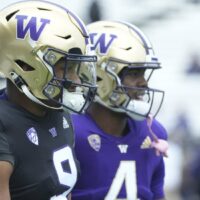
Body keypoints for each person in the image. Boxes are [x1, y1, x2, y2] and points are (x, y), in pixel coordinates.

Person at [0, 1, 97, 200]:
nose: (76, 81)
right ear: (25, 66)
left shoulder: (60, 116)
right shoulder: (4, 123)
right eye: (66, 67)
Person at [71, 21, 168, 200]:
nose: (144, 83)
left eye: (143, 73)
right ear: (98, 77)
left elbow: (157, 195)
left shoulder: (153, 132)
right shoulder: (70, 133)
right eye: (133, 73)